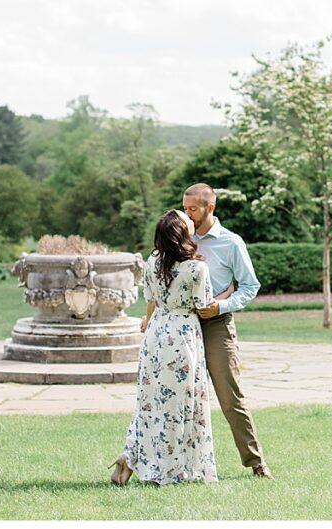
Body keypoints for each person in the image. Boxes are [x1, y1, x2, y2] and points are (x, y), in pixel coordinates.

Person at [109, 209, 218, 486]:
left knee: (150, 402)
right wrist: (226, 294)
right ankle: (171, 469)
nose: (192, 222)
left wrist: (149, 319)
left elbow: (151, 300)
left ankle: (130, 455)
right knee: (180, 403)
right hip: (182, 336)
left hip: (156, 334)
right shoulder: (197, 268)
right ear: (183, 233)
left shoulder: (153, 261)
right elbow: (203, 306)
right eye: (188, 221)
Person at [182, 183, 273, 480]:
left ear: (210, 207)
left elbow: (250, 286)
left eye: (192, 209)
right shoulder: (179, 238)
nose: (187, 214)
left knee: (230, 398)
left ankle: (256, 462)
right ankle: (179, 465)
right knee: (180, 398)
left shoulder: (231, 243)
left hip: (217, 326)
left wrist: (220, 307)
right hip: (182, 327)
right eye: (184, 208)